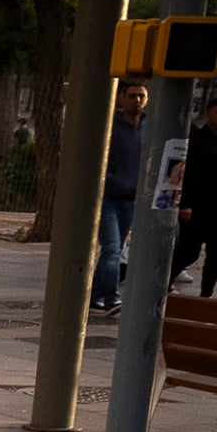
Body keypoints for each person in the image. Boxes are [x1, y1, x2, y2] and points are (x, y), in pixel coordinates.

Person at [170, 95, 217, 299]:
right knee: (188, 253)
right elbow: (185, 175)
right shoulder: (195, 142)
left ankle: (206, 296)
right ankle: (163, 285)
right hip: (196, 212)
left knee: (216, 257)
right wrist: (184, 204)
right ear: (208, 115)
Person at [91, 80, 148, 314]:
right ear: (121, 98)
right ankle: (110, 295)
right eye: (132, 96)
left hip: (131, 199)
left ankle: (96, 294)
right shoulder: (110, 126)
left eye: (141, 96)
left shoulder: (148, 128)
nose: (137, 101)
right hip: (108, 198)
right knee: (112, 247)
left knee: (114, 249)